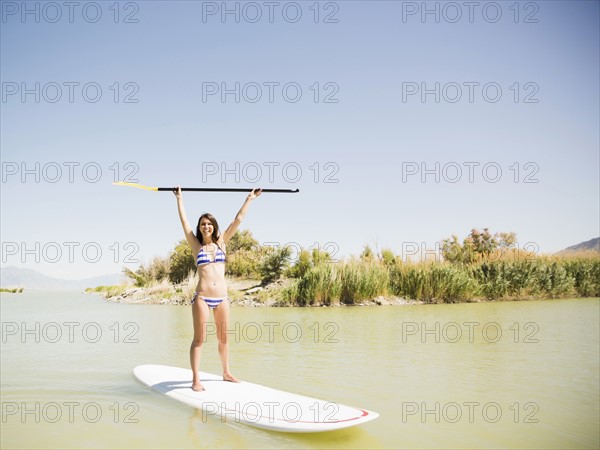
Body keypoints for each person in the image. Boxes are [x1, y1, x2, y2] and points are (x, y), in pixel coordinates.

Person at [174, 186, 262, 391]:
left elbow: (237, 220)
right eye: (203, 224)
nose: (206, 227)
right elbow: (184, 223)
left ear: (214, 227)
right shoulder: (196, 246)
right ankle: (195, 379)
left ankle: (226, 372)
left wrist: (250, 198)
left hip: (222, 298)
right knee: (199, 339)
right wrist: (179, 198)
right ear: (200, 227)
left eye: (209, 224)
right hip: (203, 298)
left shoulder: (222, 243)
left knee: (224, 338)